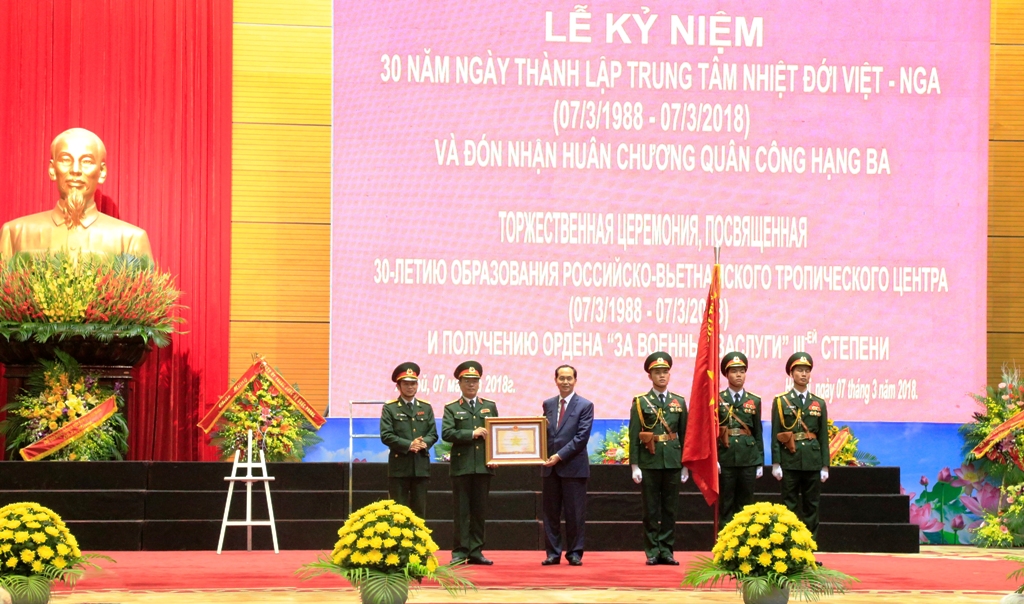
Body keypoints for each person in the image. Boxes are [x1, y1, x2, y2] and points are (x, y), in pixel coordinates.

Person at [0, 128, 153, 261]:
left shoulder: (130, 240)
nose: (75, 170)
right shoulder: (15, 234)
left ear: (102, 172)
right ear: (52, 169)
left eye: (86, 161)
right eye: (65, 160)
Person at [628, 352, 689, 565]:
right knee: (651, 509)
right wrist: (634, 465)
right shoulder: (641, 402)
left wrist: (685, 465)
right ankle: (652, 551)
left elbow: (686, 435)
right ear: (650, 376)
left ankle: (667, 550)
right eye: (657, 372)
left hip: (673, 460)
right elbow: (634, 435)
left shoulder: (679, 401)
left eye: (665, 372)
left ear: (669, 375)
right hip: (649, 461)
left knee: (670, 509)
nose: (661, 376)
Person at [441, 360, 498, 565]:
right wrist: (471, 433)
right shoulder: (452, 408)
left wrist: (495, 457)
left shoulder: (489, 406)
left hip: (483, 466)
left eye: (475, 380)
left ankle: (476, 551)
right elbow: (447, 433)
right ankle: (459, 552)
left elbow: (496, 435)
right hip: (462, 466)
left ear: (479, 383)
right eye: (467, 380)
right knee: (461, 512)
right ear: (459, 383)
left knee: (479, 512)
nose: (471, 384)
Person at [771, 352, 830, 539]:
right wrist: (776, 463)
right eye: (799, 370)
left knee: (811, 504)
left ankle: (809, 546)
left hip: (812, 460)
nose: (804, 374)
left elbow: (823, 436)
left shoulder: (818, 403)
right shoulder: (781, 401)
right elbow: (776, 433)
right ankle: (790, 544)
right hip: (790, 458)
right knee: (789, 504)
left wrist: (825, 465)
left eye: (807, 371)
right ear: (791, 374)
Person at [540, 364, 594, 566]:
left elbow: (581, 438)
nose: (565, 382)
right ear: (555, 380)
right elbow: (546, 434)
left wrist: (559, 456)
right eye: (561, 378)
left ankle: (574, 553)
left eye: (569, 378)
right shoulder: (548, 404)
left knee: (575, 514)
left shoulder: (585, 405)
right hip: (550, 468)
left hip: (574, 467)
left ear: (575, 380)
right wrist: (538, 430)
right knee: (550, 514)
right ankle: (553, 553)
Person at [379, 362, 437, 520]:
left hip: (421, 465)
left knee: (419, 512)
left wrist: (424, 443)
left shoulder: (425, 407)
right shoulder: (390, 408)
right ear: (398, 386)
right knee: (398, 513)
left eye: (413, 383)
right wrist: (409, 444)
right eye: (406, 384)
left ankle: (418, 538)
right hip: (399, 467)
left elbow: (433, 433)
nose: (410, 387)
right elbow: (386, 435)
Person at [717, 351, 764, 526]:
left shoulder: (754, 400)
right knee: (726, 503)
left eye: (742, 371)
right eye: (734, 371)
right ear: (726, 374)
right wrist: (714, 459)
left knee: (746, 504)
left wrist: (759, 462)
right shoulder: (717, 399)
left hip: (748, 457)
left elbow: (757, 432)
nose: (738, 375)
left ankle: (743, 540)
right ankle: (725, 540)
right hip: (725, 456)